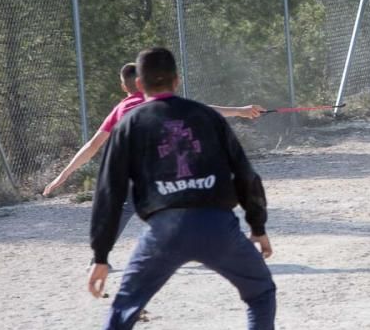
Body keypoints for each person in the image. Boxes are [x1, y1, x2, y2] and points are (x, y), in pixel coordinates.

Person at [72, 47, 276, 330]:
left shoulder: (130, 123)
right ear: (177, 80)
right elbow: (244, 173)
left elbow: (109, 192)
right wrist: (257, 226)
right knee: (260, 292)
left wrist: (100, 255)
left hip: (164, 230)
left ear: (138, 84)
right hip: (218, 225)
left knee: (124, 309)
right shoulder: (206, 116)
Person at [44, 62, 265, 242]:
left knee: (130, 206)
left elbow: (92, 146)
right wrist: (240, 111)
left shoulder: (119, 110)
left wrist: (63, 175)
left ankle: (99, 257)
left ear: (125, 87)